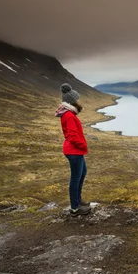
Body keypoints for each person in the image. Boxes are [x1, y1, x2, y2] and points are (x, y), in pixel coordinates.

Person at [55, 83, 91, 216]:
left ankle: (78, 200)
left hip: (75, 151)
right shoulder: (69, 116)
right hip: (74, 151)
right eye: (76, 99)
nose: (77, 101)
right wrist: (83, 145)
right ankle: (75, 208)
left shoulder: (69, 114)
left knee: (82, 173)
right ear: (71, 101)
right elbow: (72, 135)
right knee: (76, 178)